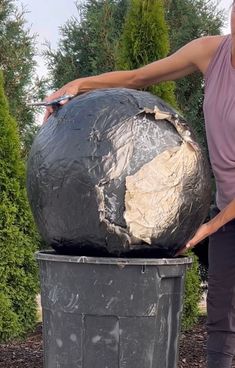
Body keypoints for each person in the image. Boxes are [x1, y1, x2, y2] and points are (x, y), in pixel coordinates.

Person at [43, 2, 235, 367]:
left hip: (227, 214)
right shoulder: (211, 51)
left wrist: (208, 226)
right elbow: (138, 78)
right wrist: (81, 84)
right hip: (227, 205)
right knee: (222, 317)